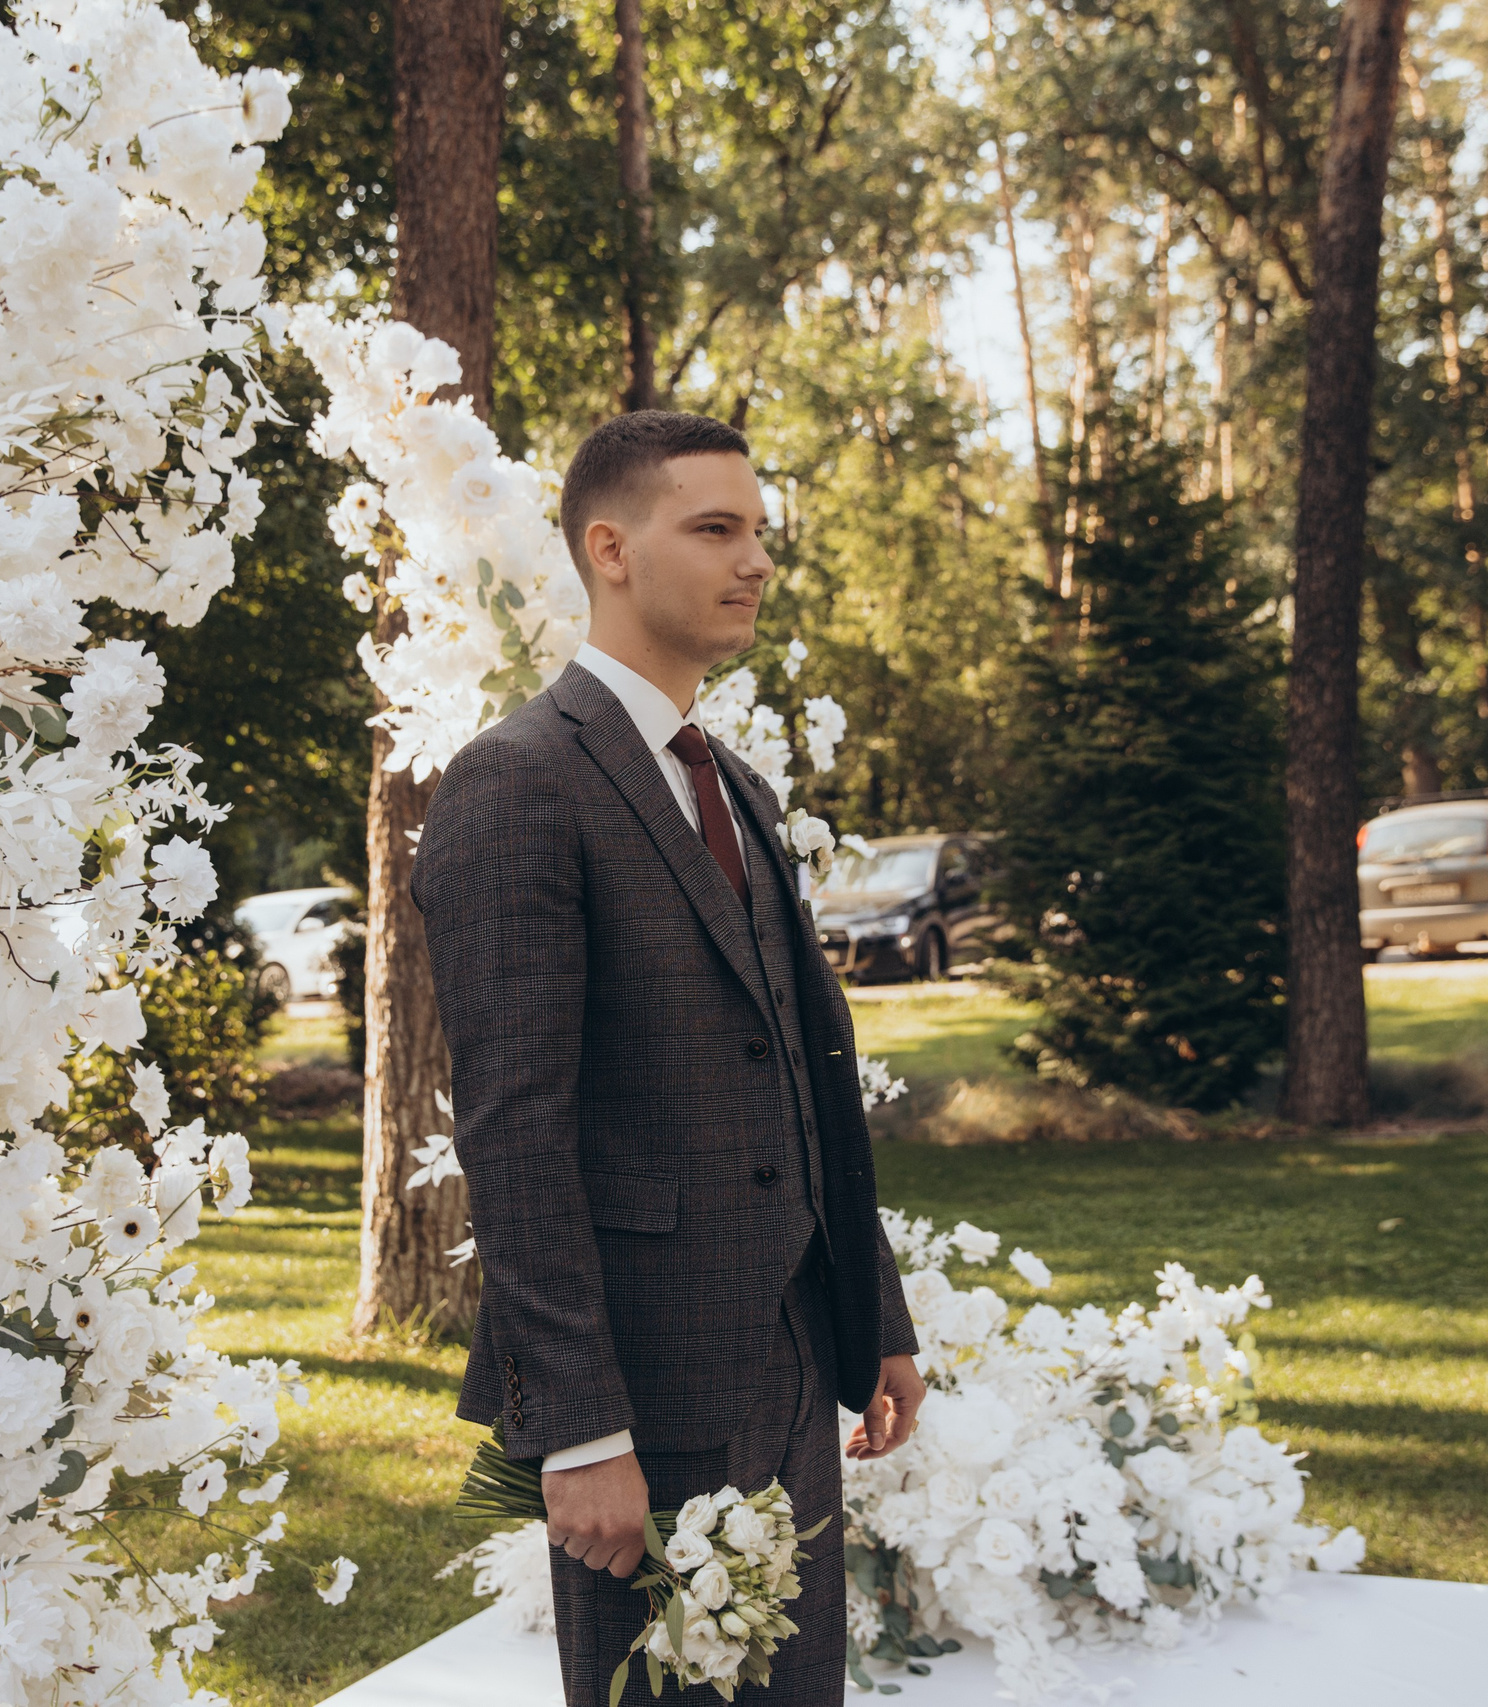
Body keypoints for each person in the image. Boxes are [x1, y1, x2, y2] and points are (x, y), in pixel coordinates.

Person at [411, 410, 927, 1704]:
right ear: (612, 548)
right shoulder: (514, 784)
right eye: (715, 529)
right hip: (643, 1386)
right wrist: (578, 1428)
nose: (754, 561)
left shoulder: (739, 787)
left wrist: (877, 1317)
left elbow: (801, 1075)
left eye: (759, 534)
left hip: (794, 1355)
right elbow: (516, 1132)